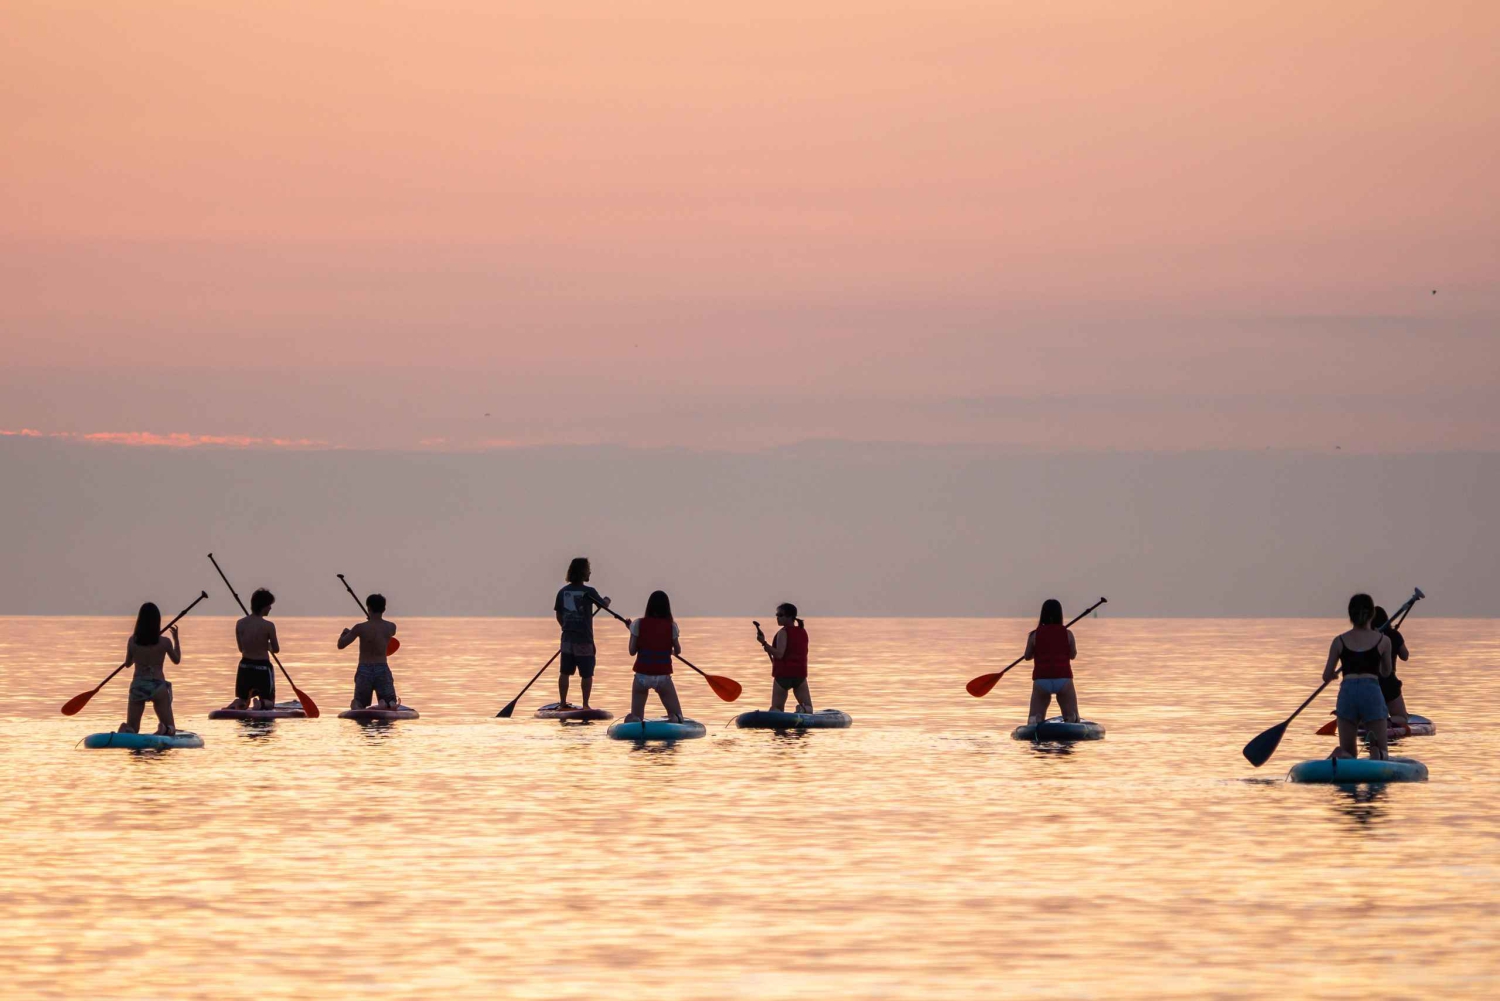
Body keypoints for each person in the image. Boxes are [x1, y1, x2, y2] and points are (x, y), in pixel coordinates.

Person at [1323, 593, 1393, 760]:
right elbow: (1386, 672)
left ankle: (1340, 753)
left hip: (1348, 693)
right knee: (1383, 752)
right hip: (1371, 691)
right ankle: (1376, 751)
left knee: (1349, 753)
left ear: (1350, 615)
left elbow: (1326, 675)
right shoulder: (1383, 640)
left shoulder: (1339, 641)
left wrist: (1333, 675)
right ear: (1372, 614)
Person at [553, 557, 610, 709]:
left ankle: (563, 703)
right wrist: (607, 600)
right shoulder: (588, 592)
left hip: (567, 639)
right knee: (586, 674)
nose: (590, 571)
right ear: (583, 572)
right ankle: (585, 705)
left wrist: (566, 627)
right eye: (588, 569)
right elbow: (603, 605)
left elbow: (559, 615)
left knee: (565, 671)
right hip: (584, 640)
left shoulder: (562, 592)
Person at [119, 602, 181, 735]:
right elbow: (176, 660)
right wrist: (176, 639)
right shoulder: (165, 642)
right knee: (171, 727)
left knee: (133, 729)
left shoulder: (132, 641)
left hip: (138, 686)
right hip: (157, 686)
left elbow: (127, 664)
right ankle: (164, 728)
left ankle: (127, 729)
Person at [624, 590, 684, 723]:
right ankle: (674, 718)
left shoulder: (637, 624)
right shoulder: (671, 626)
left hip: (641, 677)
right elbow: (678, 650)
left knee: (637, 717)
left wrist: (632, 632)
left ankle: (633, 719)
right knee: (678, 716)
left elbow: (632, 651)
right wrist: (672, 650)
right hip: (662, 677)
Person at [1022, 599, 1079, 725]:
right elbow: (1073, 655)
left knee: (1034, 719)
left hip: (1041, 681)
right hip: (1063, 680)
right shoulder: (1068, 634)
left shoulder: (1034, 635)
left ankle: (1035, 721)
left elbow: (1027, 656)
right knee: (1073, 718)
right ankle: (1071, 719)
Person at [339, 593, 400, 710]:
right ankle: (386, 703)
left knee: (359, 704)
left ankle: (358, 705)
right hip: (382, 668)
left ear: (369, 608)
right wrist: (373, 620)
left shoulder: (359, 628)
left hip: (364, 670)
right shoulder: (391, 627)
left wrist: (345, 633)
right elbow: (383, 631)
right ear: (384, 609)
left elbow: (341, 645)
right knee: (391, 702)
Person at [228, 588, 279, 710]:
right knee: (269, 702)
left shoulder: (240, 623)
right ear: (263, 606)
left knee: (242, 698)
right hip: (262, 668)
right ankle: (261, 703)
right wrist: (267, 646)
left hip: (244, 667)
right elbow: (276, 649)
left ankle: (237, 703)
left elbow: (241, 648)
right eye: (269, 605)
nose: (270, 608)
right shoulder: (269, 626)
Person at [757, 603, 812, 713]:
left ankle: (779, 726)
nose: (778, 617)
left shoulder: (783, 632)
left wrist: (764, 643)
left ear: (790, 617)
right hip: (799, 675)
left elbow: (779, 654)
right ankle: (803, 710)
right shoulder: (803, 631)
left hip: (783, 676)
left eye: (781, 615)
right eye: (777, 615)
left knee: (776, 708)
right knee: (809, 707)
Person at [1372, 604, 1410, 728]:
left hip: (1369, 682)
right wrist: (1397, 638)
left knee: (1371, 713)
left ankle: (1368, 721)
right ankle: (1387, 722)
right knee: (1402, 718)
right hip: (1388, 683)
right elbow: (1405, 656)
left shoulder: (1367, 638)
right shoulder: (1393, 635)